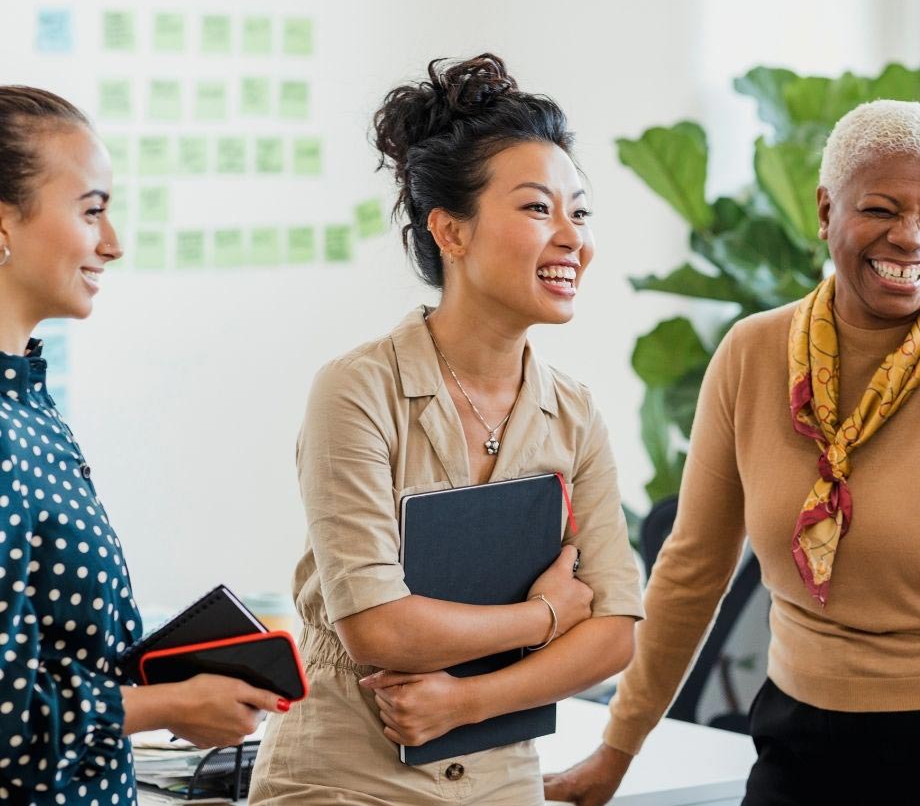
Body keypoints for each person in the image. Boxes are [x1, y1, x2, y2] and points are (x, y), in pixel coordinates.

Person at [249, 53, 643, 805]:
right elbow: (380, 629)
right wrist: (548, 615)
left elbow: (616, 631)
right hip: (343, 781)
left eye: (580, 212)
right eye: (537, 209)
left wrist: (468, 701)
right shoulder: (357, 390)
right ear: (450, 233)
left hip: (504, 783)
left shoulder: (575, 412)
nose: (571, 237)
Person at [544, 97, 920, 805]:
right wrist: (616, 750)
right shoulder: (754, 353)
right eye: (881, 209)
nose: (909, 237)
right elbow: (691, 570)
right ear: (824, 210)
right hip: (798, 741)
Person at [0, 86, 288, 804]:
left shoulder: (27, 399)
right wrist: (167, 708)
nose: (113, 242)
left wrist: (169, 685)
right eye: (91, 210)